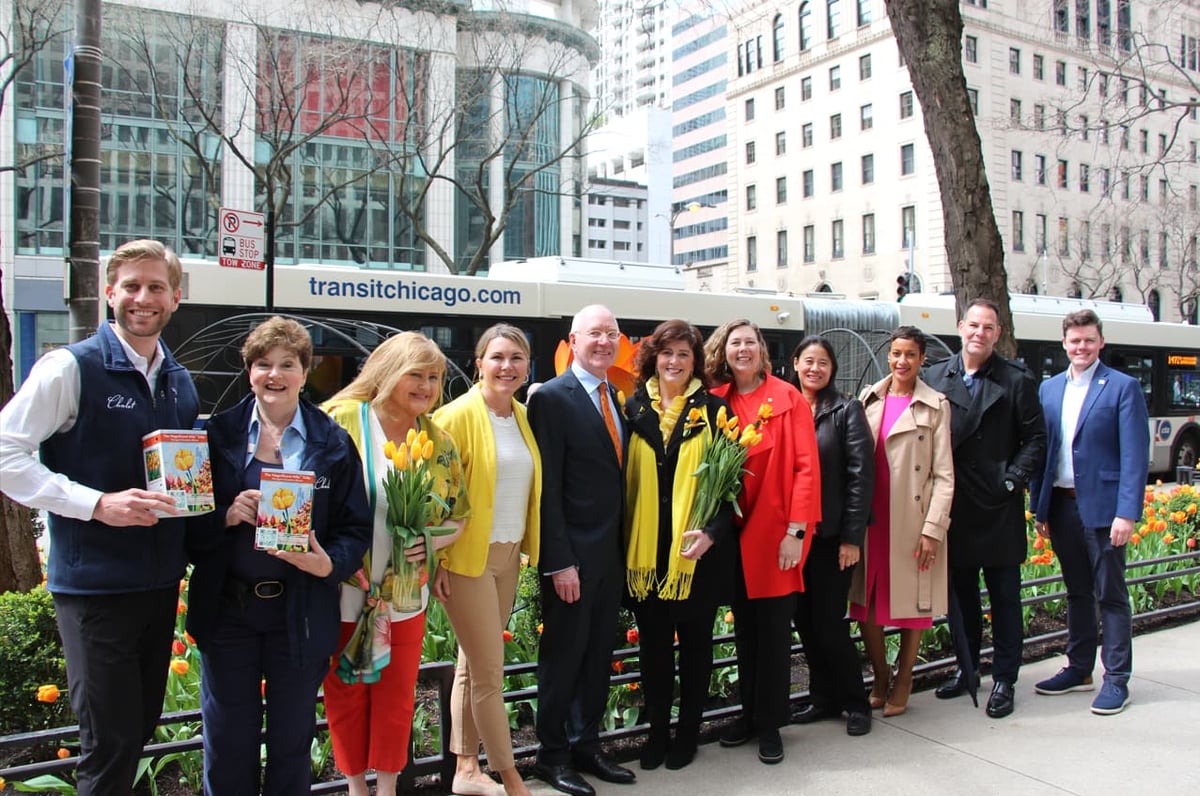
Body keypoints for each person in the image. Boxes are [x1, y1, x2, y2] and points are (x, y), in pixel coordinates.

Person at [0, 240, 199, 794]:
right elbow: (5, 453)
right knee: (107, 746)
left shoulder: (178, 380)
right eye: (131, 286)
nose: (143, 298)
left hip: (159, 587)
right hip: (94, 591)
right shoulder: (69, 367)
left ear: (175, 298)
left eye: (156, 287)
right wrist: (95, 504)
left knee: (136, 734)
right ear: (110, 293)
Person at [186, 317, 371, 793]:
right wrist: (225, 515)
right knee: (227, 741)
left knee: (292, 742)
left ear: (305, 373)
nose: (275, 375)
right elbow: (185, 525)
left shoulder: (331, 442)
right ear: (248, 371)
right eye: (263, 364)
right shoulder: (216, 435)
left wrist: (328, 563)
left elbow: (355, 526)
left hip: (300, 612)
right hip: (228, 611)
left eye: (287, 364)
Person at [322, 332, 469, 796]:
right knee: (345, 691)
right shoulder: (340, 420)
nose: (426, 387)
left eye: (434, 378)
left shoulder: (437, 440)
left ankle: (386, 788)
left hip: (406, 593)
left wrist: (430, 541)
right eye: (416, 375)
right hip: (346, 587)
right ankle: (355, 788)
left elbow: (458, 516)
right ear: (388, 372)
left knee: (396, 694)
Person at [528, 305, 636, 796]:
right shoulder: (551, 398)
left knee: (596, 657)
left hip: (610, 558)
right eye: (595, 333)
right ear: (573, 339)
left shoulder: (615, 395)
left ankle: (586, 744)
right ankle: (552, 756)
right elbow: (546, 488)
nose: (604, 342)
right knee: (563, 657)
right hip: (571, 560)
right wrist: (558, 561)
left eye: (611, 334)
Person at [431, 324, 542, 796]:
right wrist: (436, 561)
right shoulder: (454, 417)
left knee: (471, 666)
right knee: (490, 674)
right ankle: (511, 776)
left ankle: (466, 770)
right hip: (467, 560)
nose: (507, 366)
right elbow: (434, 498)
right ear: (478, 363)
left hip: (509, 554)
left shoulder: (522, 415)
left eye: (517, 358)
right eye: (497, 357)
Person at [705, 319, 821, 765]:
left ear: (762, 350)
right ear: (725, 351)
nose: (743, 349)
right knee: (745, 632)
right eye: (735, 343)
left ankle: (772, 723)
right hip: (732, 539)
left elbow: (806, 470)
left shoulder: (787, 398)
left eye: (750, 342)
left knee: (774, 636)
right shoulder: (717, 400)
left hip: (776, 539)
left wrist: (797, 532)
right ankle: (748, 715)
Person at [925, 299, 1047, 719]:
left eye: (988, 327)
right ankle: (967, 667)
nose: (979, 332)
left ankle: (1006, 679)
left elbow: (1036, 438)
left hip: (997, 508)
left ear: (997, 333)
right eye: (973, 324)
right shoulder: (936, 376)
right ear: (960, 327)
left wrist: (1012, 479)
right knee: (961, 600)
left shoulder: (1016, 380)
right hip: (954, 508)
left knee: (1005, 599)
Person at [622, 320, 735, 771]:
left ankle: (687, 732)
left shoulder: (714, 412)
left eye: (684, 354)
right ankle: (656, 735)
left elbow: (732, 488)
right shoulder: (632, 409)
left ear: (696, 362)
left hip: (696, 555)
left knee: (695, 648)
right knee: (652, 652)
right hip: (646, 555)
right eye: (667, 353)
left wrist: (711, 532)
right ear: (654, 357)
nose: (674, 362)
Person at [1028, 309, 1149, 715]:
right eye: (1074, 341)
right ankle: (1079, 669)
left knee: (1110, 596)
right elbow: (1044, 452)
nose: (1081, 347)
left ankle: (1116, 679)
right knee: (1077, 592)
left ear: (1100, 343)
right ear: (1064, 343)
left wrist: (1126, 512)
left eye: (1088, 340)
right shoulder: (1048, 390)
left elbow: (1135, 455)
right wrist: (1039, 505)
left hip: (1104, 510)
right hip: (1061, 507)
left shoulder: (1122, 387)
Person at [850, 326, 954, 718]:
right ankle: (880, 674)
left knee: (914, 602)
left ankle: (905, 677)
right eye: (896, 353)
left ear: (922, 358)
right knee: (866, 603)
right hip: (871, 520)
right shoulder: (868, 399)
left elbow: (944, 475)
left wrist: (933, 529)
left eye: (910, 354)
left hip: (912, 520)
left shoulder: (936, 406)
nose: (901, 361)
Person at [788, 336, 875, 736]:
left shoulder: (846, 409)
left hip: (830, 538)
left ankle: (855, 702)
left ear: (832, 369)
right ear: (795, 364)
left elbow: (861, 477)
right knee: (804, 621)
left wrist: (851, 538)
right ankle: (822, 698)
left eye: (823, 363)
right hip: (793, 538)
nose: (815, 369)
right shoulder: (785, 408)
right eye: (809, 361)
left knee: (828, 623)